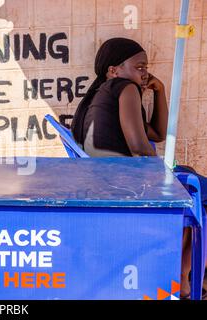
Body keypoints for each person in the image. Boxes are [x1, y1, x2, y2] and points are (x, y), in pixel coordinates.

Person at [70, 37, 206, 299]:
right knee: (201, 191)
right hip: (126, 184)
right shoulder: (124, 88)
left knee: (193, 179)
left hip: (110, 180)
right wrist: (167, 176)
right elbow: (140, 149)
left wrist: (160, 90)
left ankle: (186, 271)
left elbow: (157, 133)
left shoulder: (105, 92)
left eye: (146, 68)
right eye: (139, 67)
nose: (145, 74)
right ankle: (184, 275)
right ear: (114, 70)